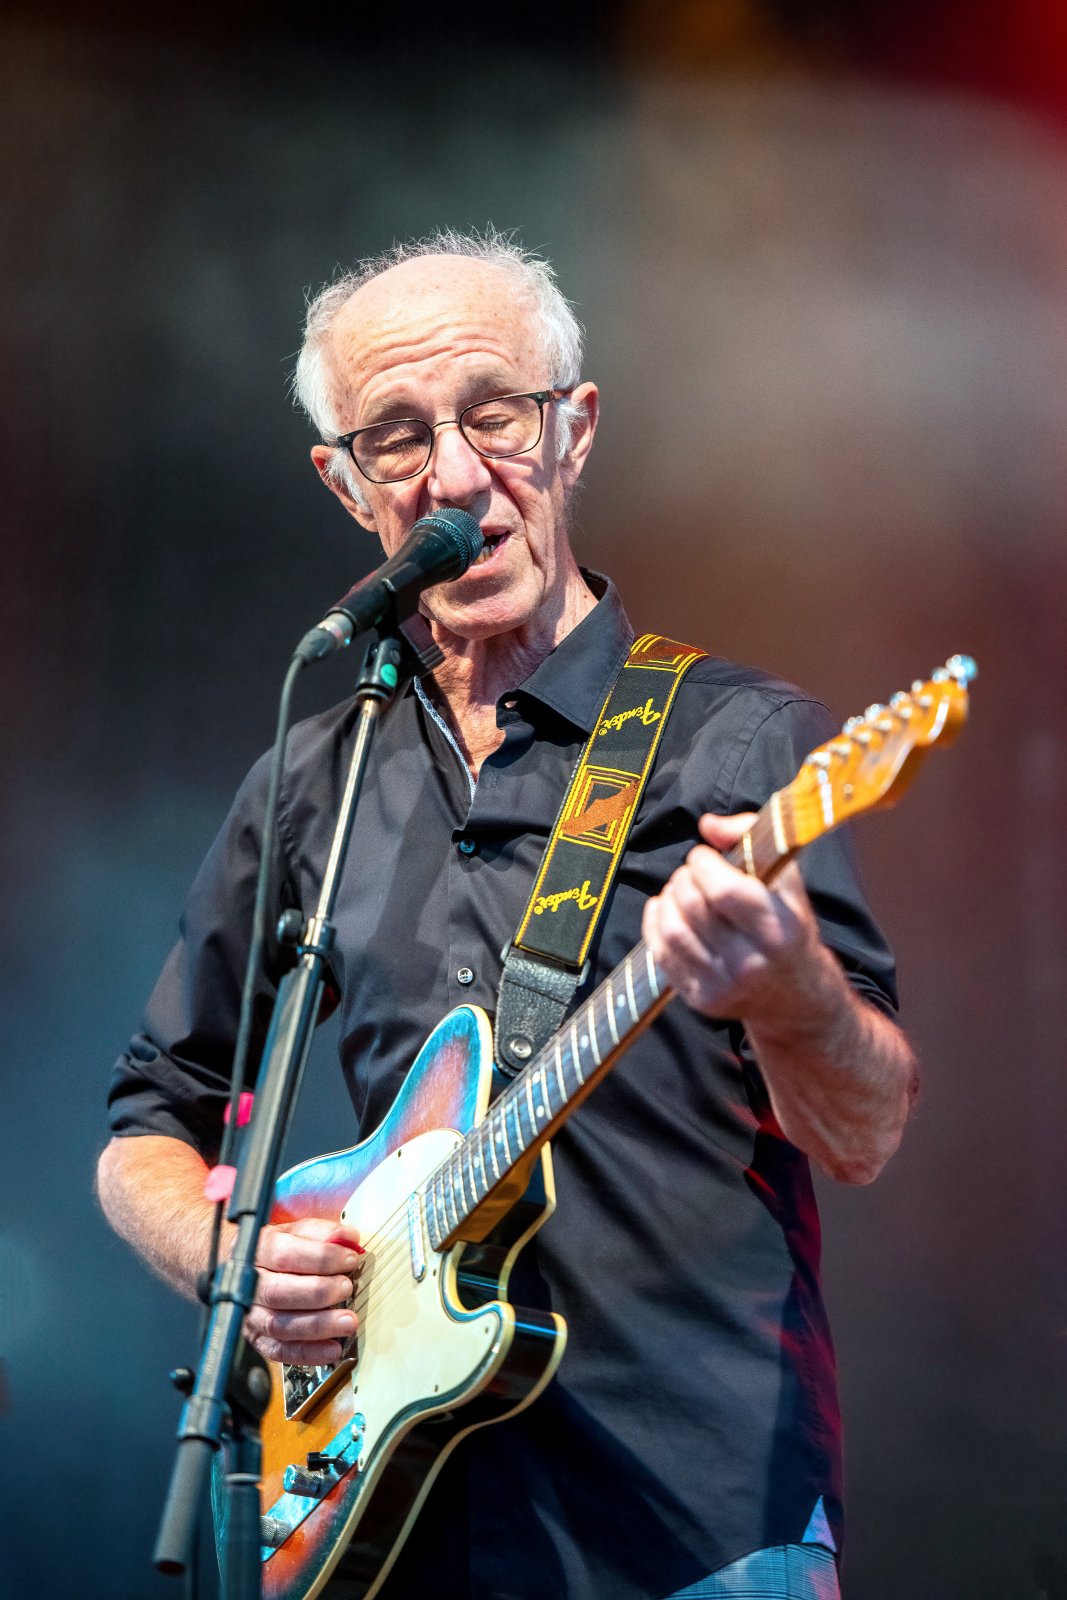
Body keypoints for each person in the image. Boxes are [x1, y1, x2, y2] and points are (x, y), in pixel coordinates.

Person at [98, 228, 917, 1600]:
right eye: (399, 435)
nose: (460, 475)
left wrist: (788, 990)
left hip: (693, 1531)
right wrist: (231, 1256)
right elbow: (147, 1123)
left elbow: (867, 1126)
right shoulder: (317, 774)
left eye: (495, 413)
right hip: (383, 1528)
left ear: (575, 429)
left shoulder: (739, 747)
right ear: (347, 482)